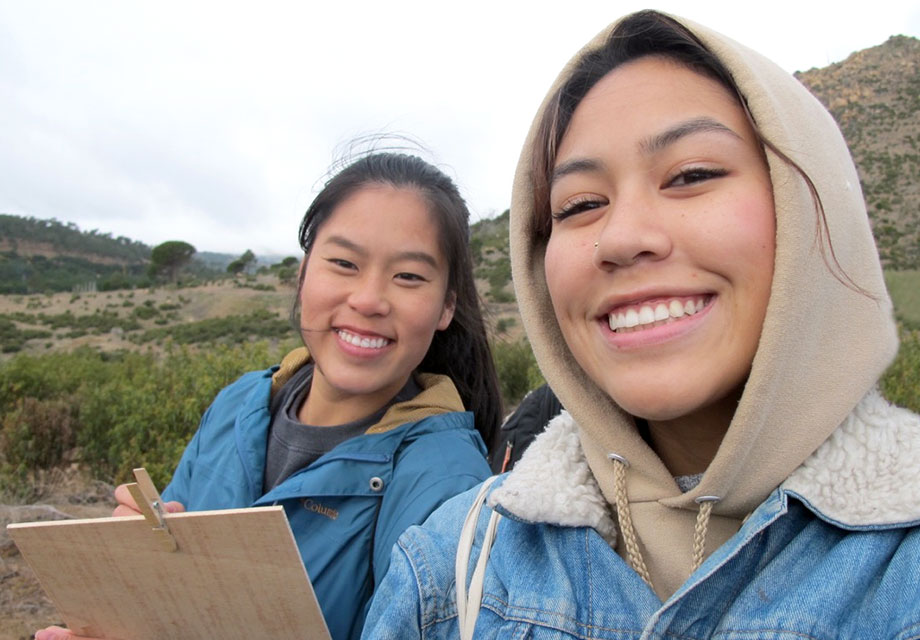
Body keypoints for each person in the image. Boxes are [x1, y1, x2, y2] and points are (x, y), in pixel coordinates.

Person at [363, 11, 920, 638]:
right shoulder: (453, 569)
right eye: (579, 205)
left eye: (691, 175)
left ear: (809, 208)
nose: (622, 238)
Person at [36, 152, 502, 640]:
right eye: (343, 263)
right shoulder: (239, 405)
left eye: (408, 276)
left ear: (446, 304)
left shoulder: (448, 487)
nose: (367, 299)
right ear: (303, 275)